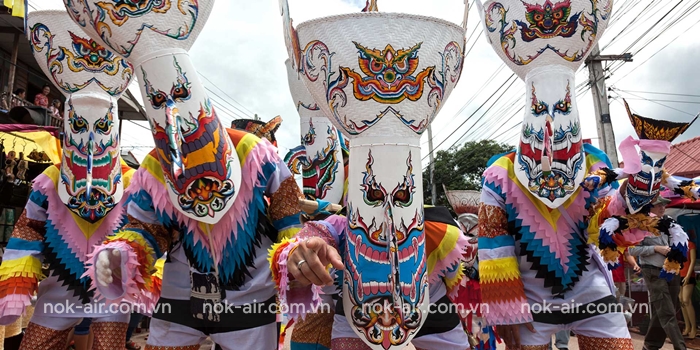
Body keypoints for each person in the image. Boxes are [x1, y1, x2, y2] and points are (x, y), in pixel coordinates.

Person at [271, 205, 471, 349]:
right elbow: (314, 235)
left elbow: (454, 274)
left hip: (428, 302)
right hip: (356, 310)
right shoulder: (340, 225)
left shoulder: (443, 231)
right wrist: (298, 251)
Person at [628, 196, 686, 350]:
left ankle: (650, 345)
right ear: (648, 208)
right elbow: (631, 249)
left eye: (664, 205)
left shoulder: (669, 222)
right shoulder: (640, 225)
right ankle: (681, 347)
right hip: (653, 271)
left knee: (664, 310)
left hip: (672, 270)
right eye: (659, 205)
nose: (663, 208)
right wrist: (655, 248)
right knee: (667, 312)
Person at [680, 229, 696, 340]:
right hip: (678, 274)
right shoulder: (678, 245)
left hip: (688, 275)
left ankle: (694, 327)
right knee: (681, 301)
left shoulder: (691, 245)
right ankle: (687, 327)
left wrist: (688, 275)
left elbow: (693, 261)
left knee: (686, 300)